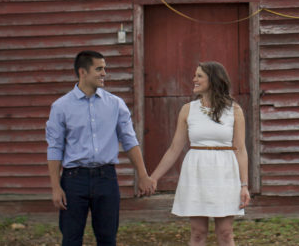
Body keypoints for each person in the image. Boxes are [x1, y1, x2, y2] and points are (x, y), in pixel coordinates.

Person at [46, 50, 157, 246]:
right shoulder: (60, 107)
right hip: (73, 180)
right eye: (99, 69)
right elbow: (55, 148)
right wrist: (56, 187)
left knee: (107, 239)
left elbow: (130, 141)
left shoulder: (116, 105)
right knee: (71, 239)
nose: (104, 73)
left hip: (106, 178)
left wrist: (143, 175)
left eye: (105, 69)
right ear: (83, 72)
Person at [149, 61, 251, 246]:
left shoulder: (234, 110)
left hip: (225, 173)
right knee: (197, 233)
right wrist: (154, 177)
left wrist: (244, 185)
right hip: (196, 172)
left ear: (213, 79)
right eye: (195, 75)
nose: (194, 79)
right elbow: (174, 148)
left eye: (199, 76)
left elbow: (241, 149)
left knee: (226, 233)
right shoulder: (188, 110)